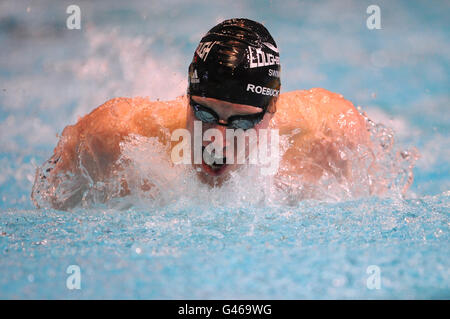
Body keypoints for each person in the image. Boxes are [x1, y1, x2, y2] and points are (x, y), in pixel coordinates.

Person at [31, 18, 370, 210]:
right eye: (205, 113)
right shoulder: (111, 137)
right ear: (187, 96)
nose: (216, 141)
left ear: (272, 110)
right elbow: (43, 211)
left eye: (241, 122)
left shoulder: (329, 135)